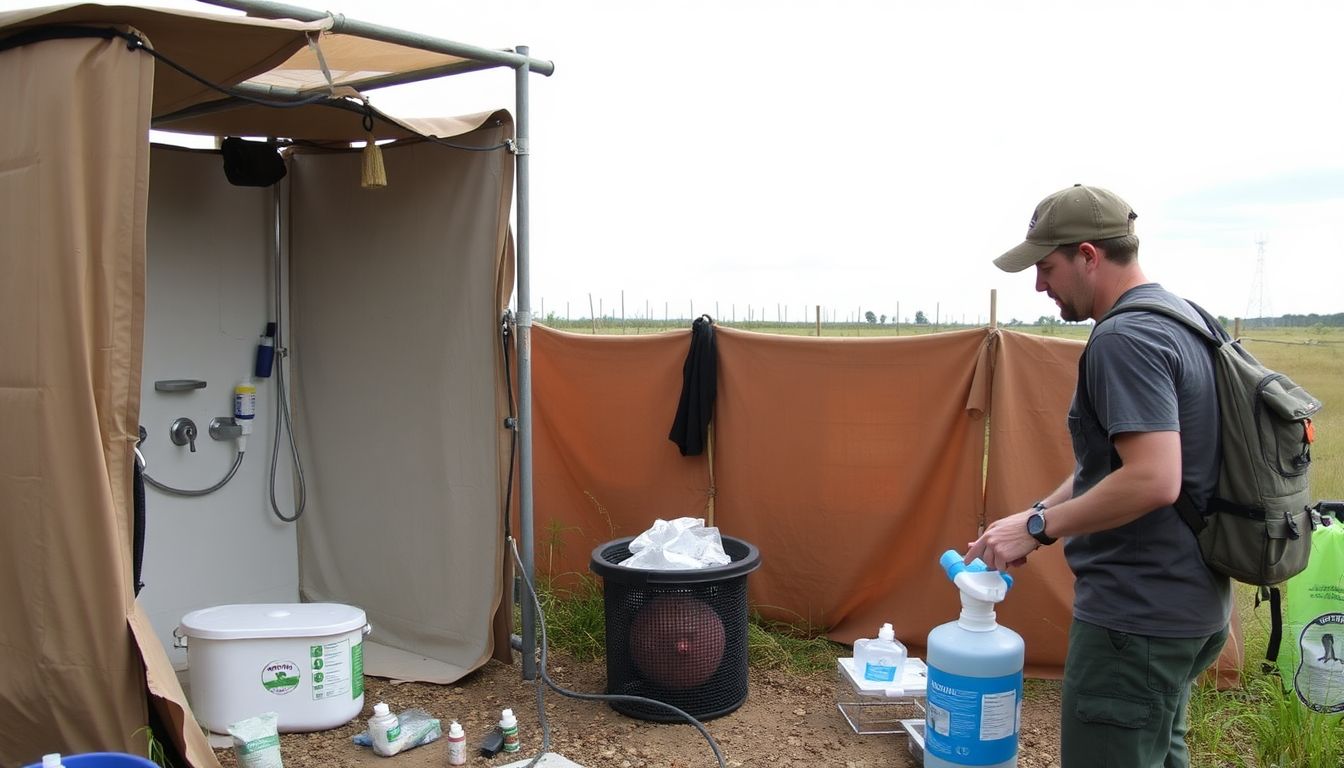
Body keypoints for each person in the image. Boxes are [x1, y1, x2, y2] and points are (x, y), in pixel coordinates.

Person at [966, 185, 1231, 768]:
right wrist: (1031, 515)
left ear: (1089, 255)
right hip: (1187, 607)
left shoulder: (1124, 338)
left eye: (1046, 266)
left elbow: (1153, 480)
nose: (1039, 285)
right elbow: (1110, 467)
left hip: (1133, 622)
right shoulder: (1182, 319)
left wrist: (1039, 530)